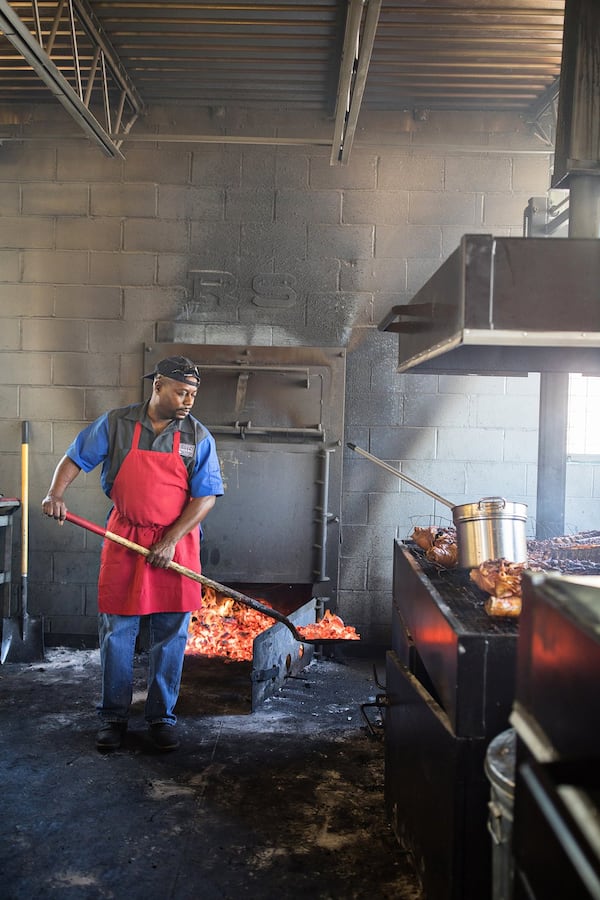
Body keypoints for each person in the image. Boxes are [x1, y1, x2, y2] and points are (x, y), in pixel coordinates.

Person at [42, 356, 224, 753]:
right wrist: (56, 494)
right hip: (125, 538)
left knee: (170, 635)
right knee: (117, 634)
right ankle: (113, 718)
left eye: (193, 394)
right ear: (158, 384)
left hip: (176, 544)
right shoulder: (117, 424)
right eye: (181, 391)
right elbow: (75, 457)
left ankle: (161, 718)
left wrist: (171, 539)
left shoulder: (198, 436)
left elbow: (206, 497)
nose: (188, 401)